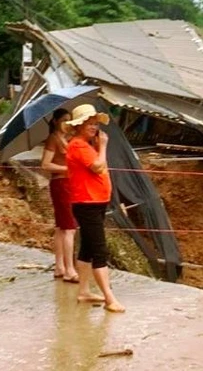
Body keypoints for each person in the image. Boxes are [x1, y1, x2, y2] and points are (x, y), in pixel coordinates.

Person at [64, 104, 125, 313]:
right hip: (87, 203)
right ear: (79, 125)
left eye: (95, 123)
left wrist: (98, 147)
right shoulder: (78, 146)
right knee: (100, 251)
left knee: (88, 249)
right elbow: (98, 166)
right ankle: (109, 298)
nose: (93, 126)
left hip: (95, 202)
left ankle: (84, 291)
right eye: (89, 123)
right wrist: (104, 146)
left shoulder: (87, 146)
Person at [40, 108, 78, 283]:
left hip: (69, 184)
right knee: (69, 227)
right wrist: (66, 169)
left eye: (69, 120)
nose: (67, 123)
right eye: (64, 120)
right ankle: (69, 268)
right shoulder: (53, 139)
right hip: (61, 183)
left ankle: (60, 266)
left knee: (61, 227)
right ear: (55, 121)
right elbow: (45, 165)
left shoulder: (68, 138)